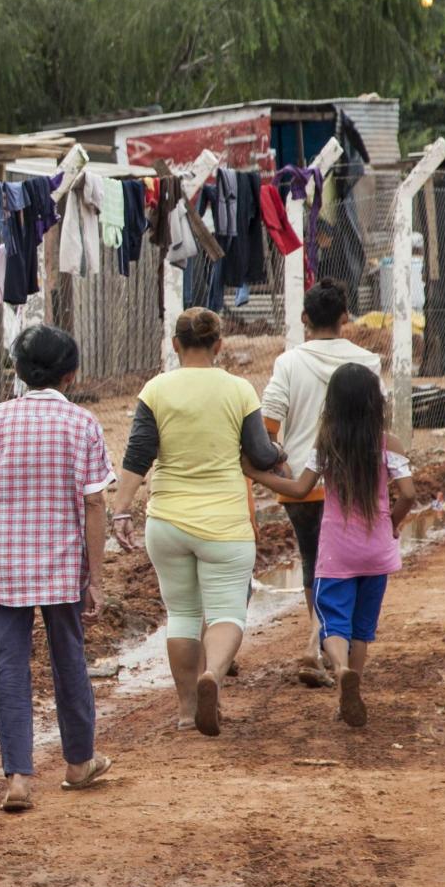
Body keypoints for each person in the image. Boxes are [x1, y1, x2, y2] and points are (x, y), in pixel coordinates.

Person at [0, 323, 114, 813]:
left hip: (1, 563)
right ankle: (78, 763)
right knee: (69, 660)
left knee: (10, 667)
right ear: (71, 374)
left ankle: (19, 778)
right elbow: (95, 504)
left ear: (19, 373)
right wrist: (96, 578)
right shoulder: (83, 424)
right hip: (63, 565)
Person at [118, 307, 285, 736]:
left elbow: (138, 455)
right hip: (225, 524)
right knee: (227, 610)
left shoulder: (155, 390)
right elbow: (262, 454)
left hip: (168, 521)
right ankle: (213, 673)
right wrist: (280, 454)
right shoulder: (238, 389)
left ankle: (186, 710)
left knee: (182, 613)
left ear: (174, 345)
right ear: (219, 345)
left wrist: (121, 509)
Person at [249, 364, 417, 728]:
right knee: (362, 629)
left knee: (333, 625)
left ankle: (341, 671)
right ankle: (350, 689)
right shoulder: (390, 444)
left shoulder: (327, 445)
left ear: (333, 405)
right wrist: (391, 524)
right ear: (376, 403)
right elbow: (408, 494)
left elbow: (298, 489)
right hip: (377, 553)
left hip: (337, 553)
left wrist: (254, 473)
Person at [259, 280, 383, 686]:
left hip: (302, 484)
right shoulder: (368, 361)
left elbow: (268, 424)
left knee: (316, 563)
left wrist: (275, 464)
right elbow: (377, 422)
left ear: (304, 319)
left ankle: (317, 642)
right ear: (346, 317)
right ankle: (324, 645)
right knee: (351, 566)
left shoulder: (289, 363)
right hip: (355, 483)